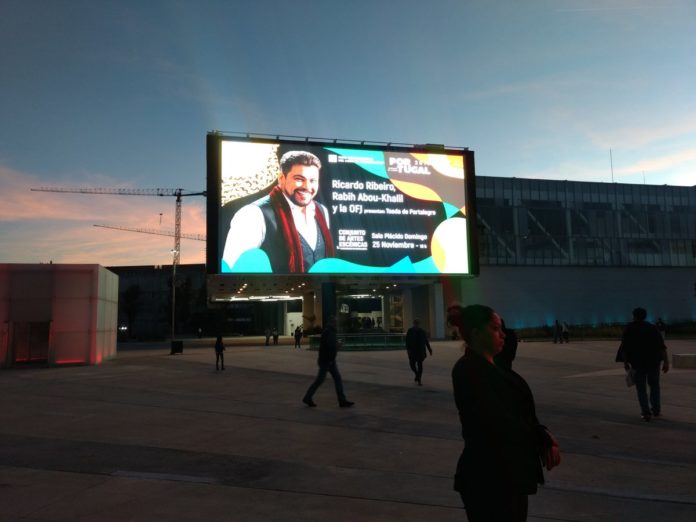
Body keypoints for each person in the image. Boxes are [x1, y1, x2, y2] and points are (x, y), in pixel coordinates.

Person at [447, 304, 560, 522]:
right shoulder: (468, 371)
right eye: (495, 328)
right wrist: (541, 437)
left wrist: (541, 434)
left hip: (509, 475)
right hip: (489, 478)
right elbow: (498, 420)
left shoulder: (495, 367)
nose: (503, 334)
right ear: (477, 333)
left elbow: (516, 412)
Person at [222, 150, 335, 273]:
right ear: (281, 178)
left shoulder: (321, 211)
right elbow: (233, 272)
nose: (307, 187)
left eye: (313, 181)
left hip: (320, 292)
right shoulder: (253, 214)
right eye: (299, 179)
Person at [617, 307, 669, 421]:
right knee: (654, 386)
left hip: (637, 363)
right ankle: (656, 410)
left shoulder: (629, 328)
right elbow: (662, 346)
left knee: (641, 389)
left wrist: (625, 362)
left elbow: (624, 348)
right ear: (645, 316)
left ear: (634, 316)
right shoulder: (652, 328)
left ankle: (646, 412)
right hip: (653, 362)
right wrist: (666, 362)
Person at [302, 317, 354, 408]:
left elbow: (329, 346)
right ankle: (307, 397)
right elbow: (330, 347)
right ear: (332, 323)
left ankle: (342, 400)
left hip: (328, 360)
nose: (336, 324)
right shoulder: (330, 332)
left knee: (335, 379)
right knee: (321, 380)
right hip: (327, 361)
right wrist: (337, 347)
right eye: (335, 322)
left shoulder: (328, 331)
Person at [405, 319, 433, 385]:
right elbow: (407, 341)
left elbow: (426, 341)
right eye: (415, 324)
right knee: (412, 365)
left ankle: (419, 380)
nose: (416, 325)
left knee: (420, 366)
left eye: (417, 324)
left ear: (419, 324)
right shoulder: (410, 331)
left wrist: (429, 349)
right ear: (413, 324)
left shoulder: (422, 331)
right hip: (412, 351)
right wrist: (408, 349)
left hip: (420, 351)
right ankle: (417, 374)